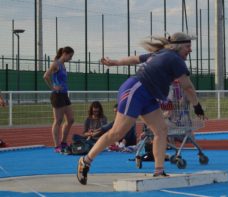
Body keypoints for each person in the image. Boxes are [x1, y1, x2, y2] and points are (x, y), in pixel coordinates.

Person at [76, 32, 205, 185]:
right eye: (188, 46)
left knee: (161, 130)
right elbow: (187, 86)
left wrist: (115, 62)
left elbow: (134, 59)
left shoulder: (161, 53)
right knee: (117, 133)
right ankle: (86, 160)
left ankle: (158, 171)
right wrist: (197, 106)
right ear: (178, 46)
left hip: (148, 95)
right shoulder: (175, 59)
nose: (190, 50)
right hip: (136, 91)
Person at [43, 46, 75, 153]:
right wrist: (53, 87)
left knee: (70, 119)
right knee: (58, 121)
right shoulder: (56, 64)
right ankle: (57, 146)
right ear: (65, 53)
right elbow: (46, 76)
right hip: (57, 95)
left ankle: (63, 142)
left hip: (64, 95)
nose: (71, 58)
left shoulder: (63, 65)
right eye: (70, 56)